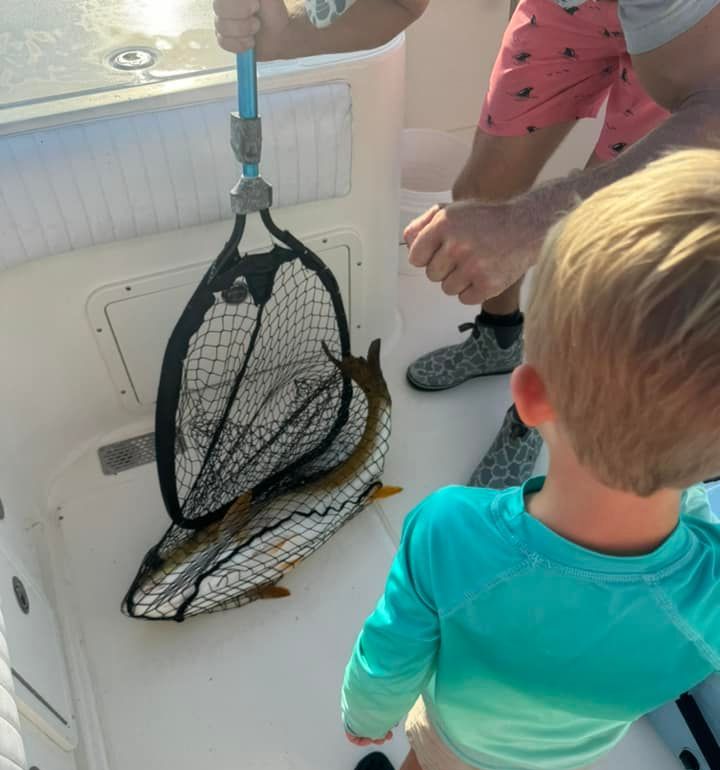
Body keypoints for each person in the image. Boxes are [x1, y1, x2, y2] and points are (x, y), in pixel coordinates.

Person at [339, 150, 720, 770]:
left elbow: (393, 648)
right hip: (577, 744)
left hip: (462, 730)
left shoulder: (450, 529)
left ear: (531, 396)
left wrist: (367, 717)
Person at [214, 0, 720, 487]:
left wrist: (528, 223)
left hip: (698, 37)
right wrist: (283, 35)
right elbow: (398, 3)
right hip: (565, 14)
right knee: (480, 192)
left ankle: (536, 414)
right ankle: (500, 338)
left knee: (602, 256)